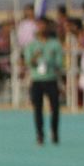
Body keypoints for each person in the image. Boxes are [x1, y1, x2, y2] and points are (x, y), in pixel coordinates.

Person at [24, 17, 64, 145]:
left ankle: (54, 132)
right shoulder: (32, 45)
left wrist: (50, 60)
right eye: (39, 25)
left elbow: (59, 63)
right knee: (38, 109)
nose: (41, 28)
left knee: (55, 108)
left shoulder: (55, 44)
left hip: (50, 79)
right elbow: (28, 62)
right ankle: (40, 134)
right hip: (37, 80)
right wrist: (35, 57)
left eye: (43, 25)